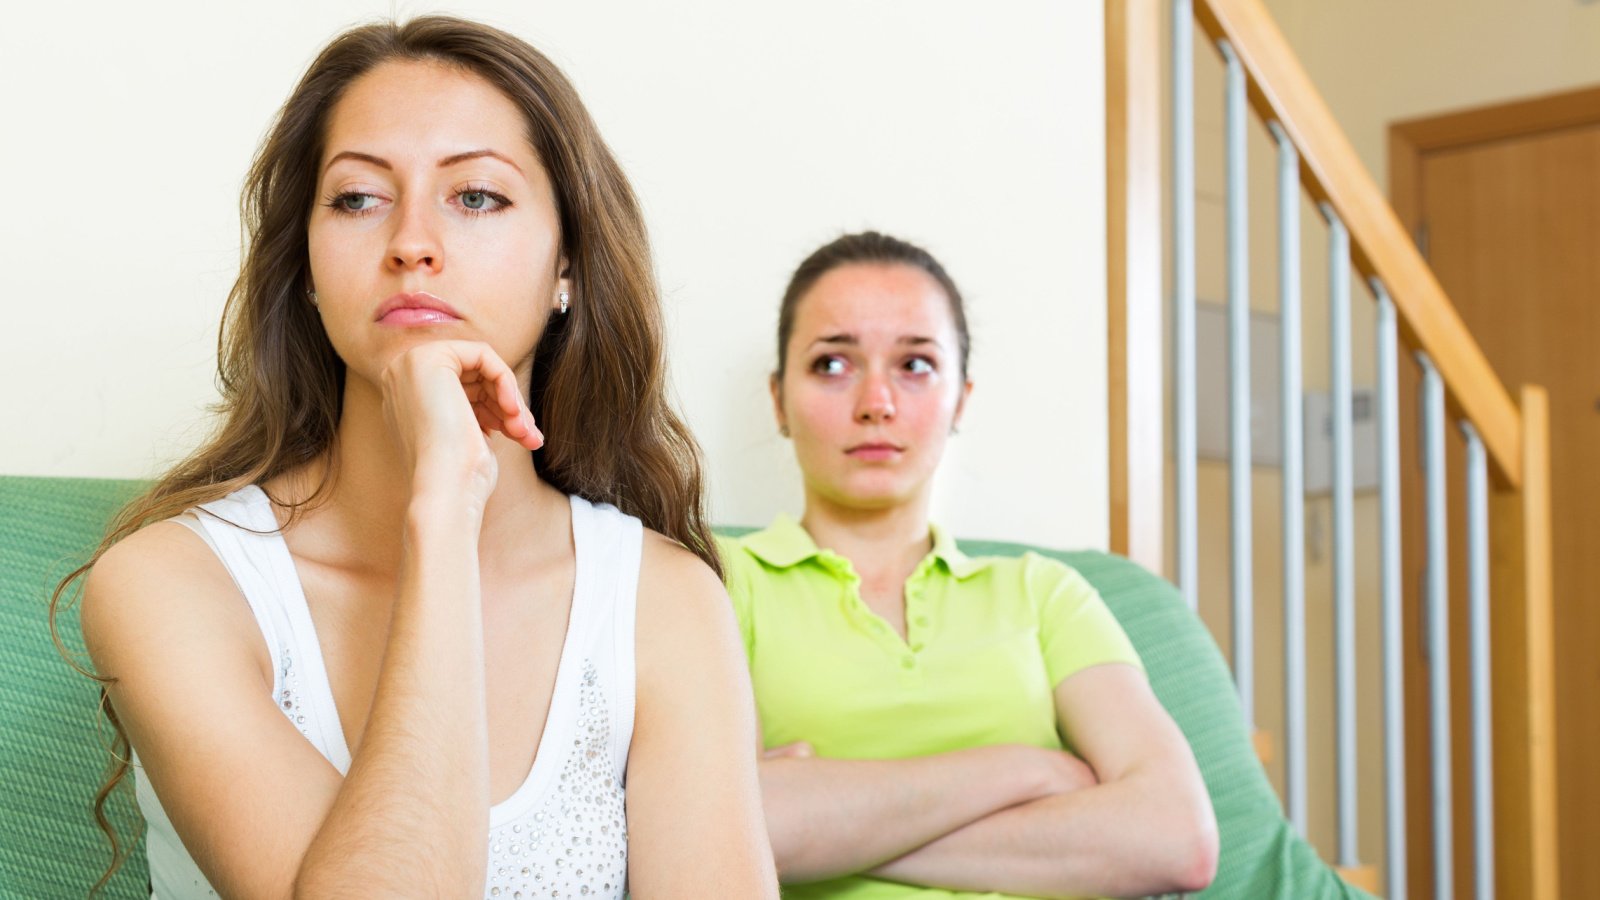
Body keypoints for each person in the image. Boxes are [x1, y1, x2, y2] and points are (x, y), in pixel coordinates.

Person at [53, 17, 777, 900]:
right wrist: (444, 504)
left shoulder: (663, 601)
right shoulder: (170, 582)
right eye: (358, 198)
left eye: (476, 197)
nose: (411, 242)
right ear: (309, 270)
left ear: (568, 268)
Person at [719, 231, 1219, 899]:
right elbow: (714, 826)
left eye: (916, 365)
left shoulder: (1046, 594)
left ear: (960, 399)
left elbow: (1177, 837)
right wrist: (1026, 771)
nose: (877, 403)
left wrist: (827, 825)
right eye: (833, 364)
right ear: (779, 400)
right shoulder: (715, 580)